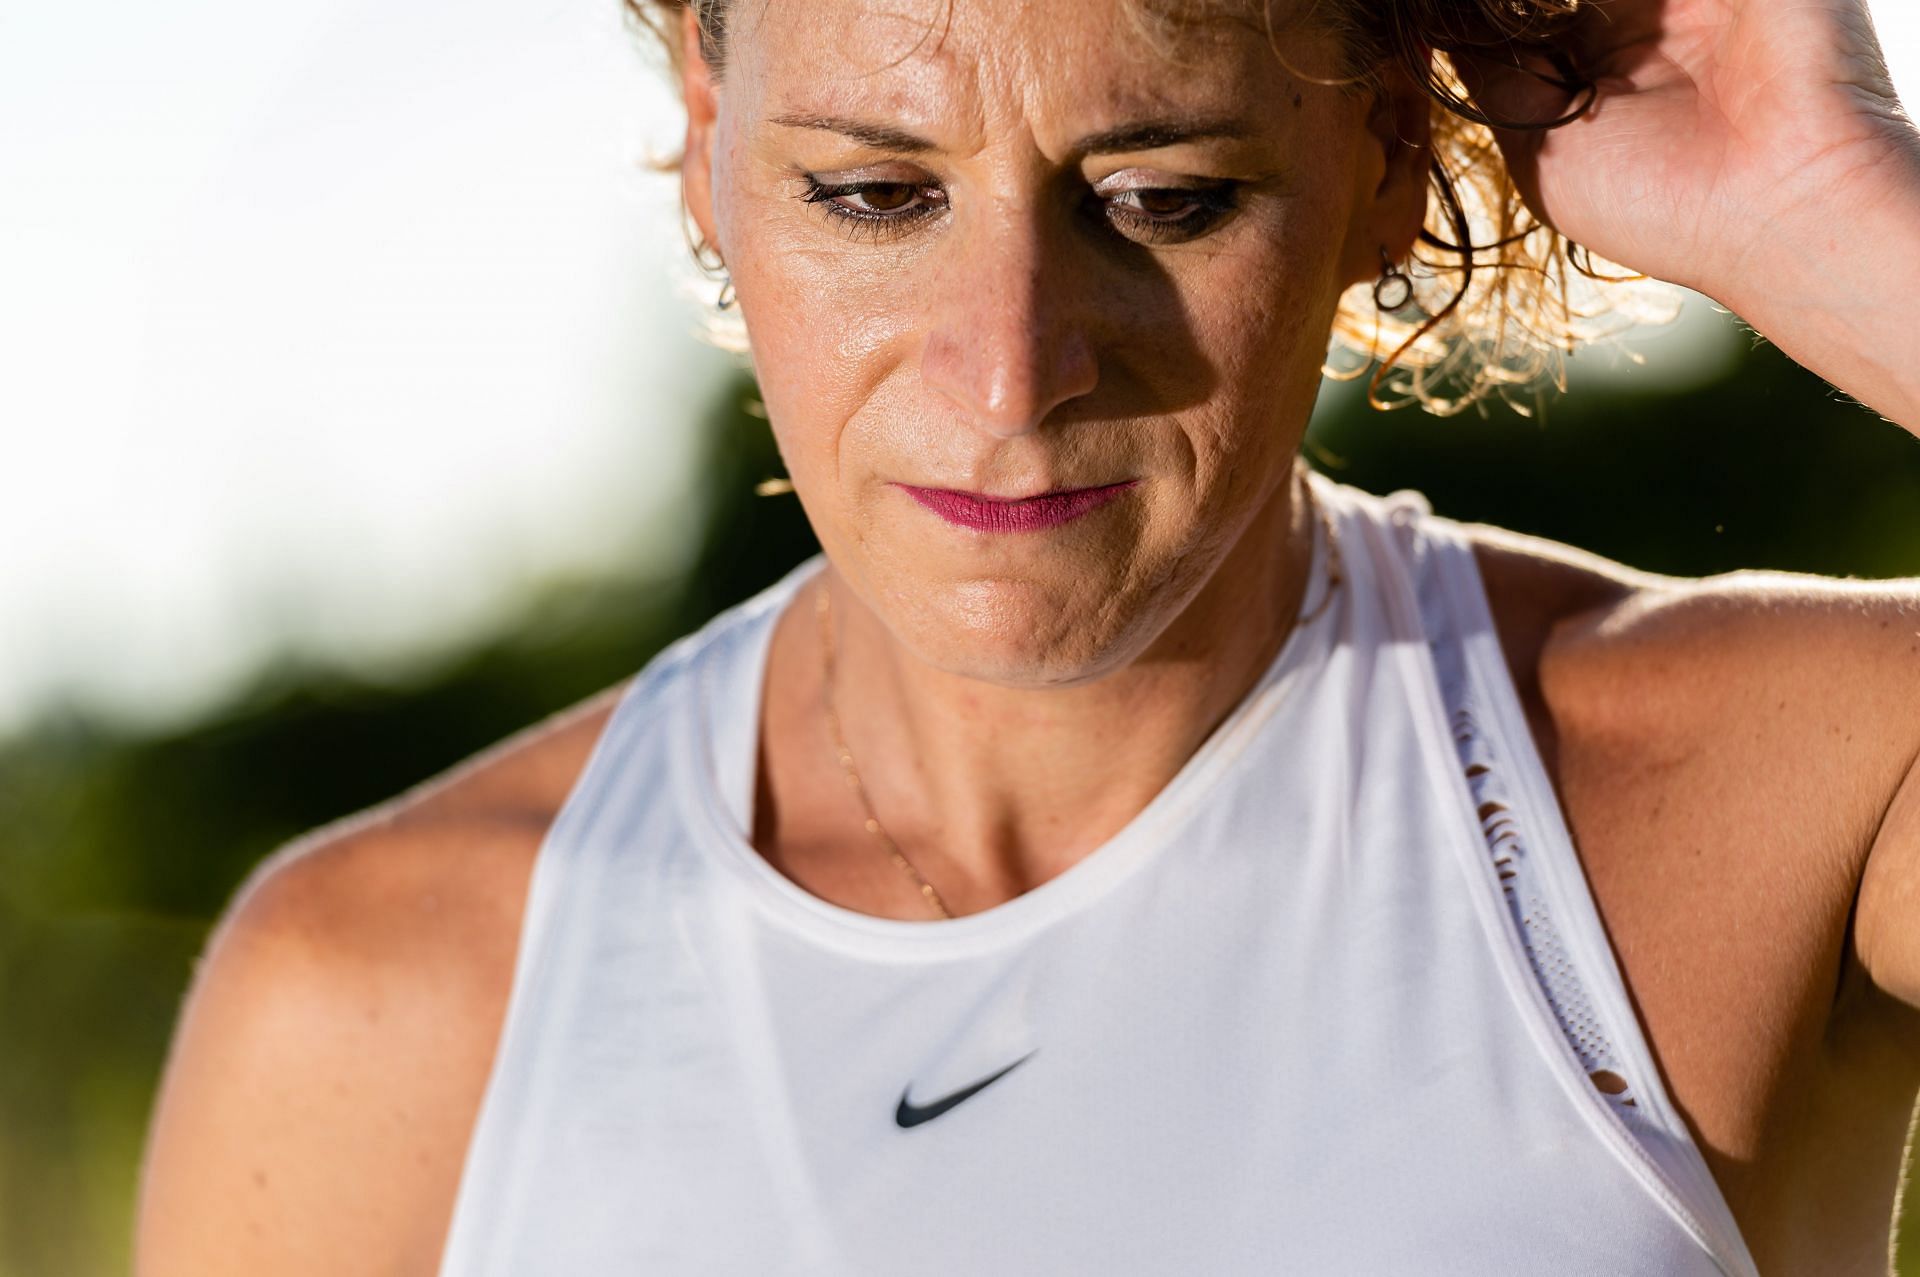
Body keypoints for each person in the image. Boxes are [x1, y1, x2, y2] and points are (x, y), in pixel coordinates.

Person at [134, 0, 1920, 1272]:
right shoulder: (375, 997)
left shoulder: (1778, 787)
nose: (1010, 372)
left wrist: (1838, 212)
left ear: (1385, 158)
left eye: (1163, 198)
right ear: (707, 125)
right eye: (873, 194)